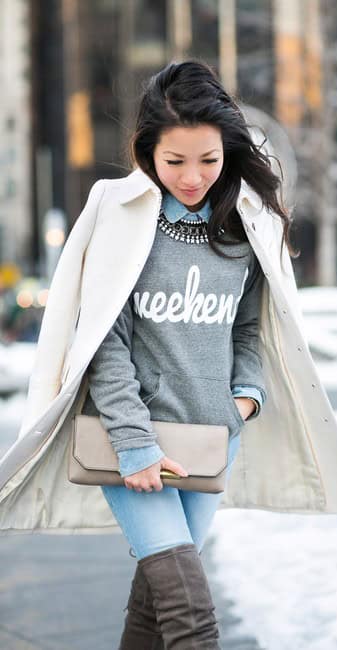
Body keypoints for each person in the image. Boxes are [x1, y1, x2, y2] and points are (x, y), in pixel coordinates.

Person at [79, 58, 293, 649]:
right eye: (175, 161)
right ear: (148, 152)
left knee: (154, 611)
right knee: (192, 617)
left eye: (209, 159)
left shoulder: (242, 229)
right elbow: (105, 343)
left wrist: (245, 399)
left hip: (207, 442)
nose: (193, 177)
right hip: (138, 445)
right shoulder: (124, 223)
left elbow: (246, 328)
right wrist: (134, 444)